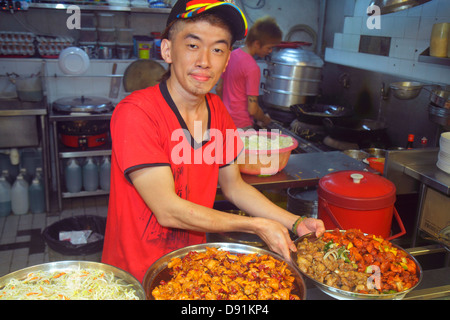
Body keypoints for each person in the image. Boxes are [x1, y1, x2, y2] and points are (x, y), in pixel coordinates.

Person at [102, 0, 325, 283]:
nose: (205, 61)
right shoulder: (137, 113)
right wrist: (255, 226)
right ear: (168, 50)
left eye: (218, 49)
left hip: (189, 268)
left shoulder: (217, 111)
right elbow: (168, 210)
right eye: (193, 45)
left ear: (227, 59)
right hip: (134, 275)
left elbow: (234, 186)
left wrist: (294, 222)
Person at [216, 16, 282, 129]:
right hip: (242, 125)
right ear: (257, 44)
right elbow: (252, 109)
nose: (270, 51)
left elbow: (219, 89)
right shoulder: (252, 68)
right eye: (269, 48)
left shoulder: (231, 55)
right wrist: (264, 119)